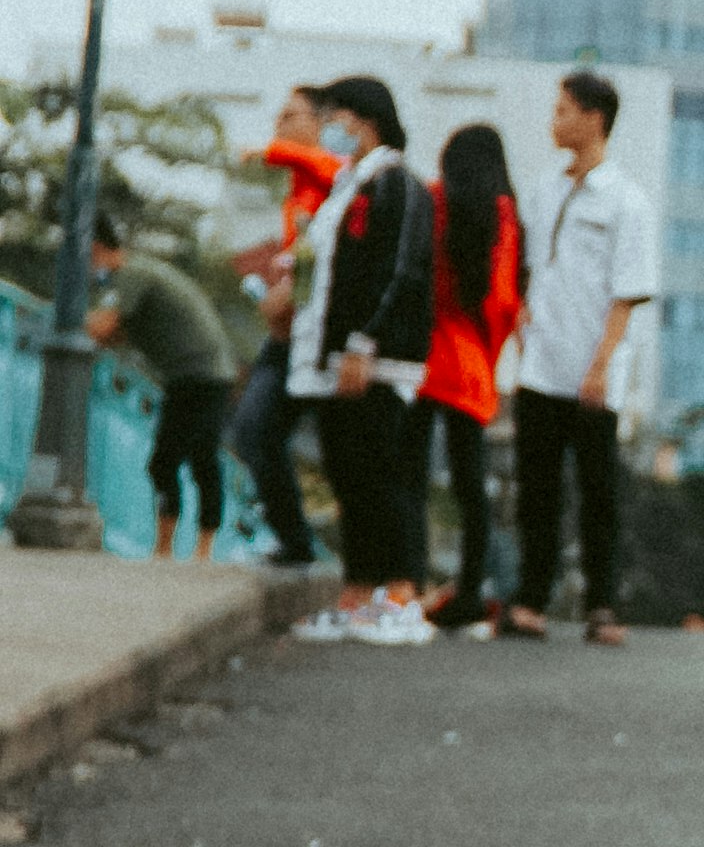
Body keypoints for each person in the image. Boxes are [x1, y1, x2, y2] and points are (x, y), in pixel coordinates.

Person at [503, 69, 655, 644]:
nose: (555, 120)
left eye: (565, 110)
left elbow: (626, 294)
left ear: (594, 119)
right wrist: (519, 317)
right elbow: (528, 264)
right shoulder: (547, 188)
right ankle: (530, 601)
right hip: (541, 364)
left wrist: (601, 365)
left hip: (594, 371)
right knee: (536, 490)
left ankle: (602, 604)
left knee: (597, 495)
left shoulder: (625, 201)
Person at [288, 78, 439, 644]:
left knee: (381, 474)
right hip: (338, 357)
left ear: (363, 121)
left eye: (336, 117)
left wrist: (362, 341)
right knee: (350, 475)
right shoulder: (352, 186)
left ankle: (399, 593)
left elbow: (397, 270)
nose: (330, 128)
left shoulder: (395, 185)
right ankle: (358, 592)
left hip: (375, 358)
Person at [419, 120, 527, 632]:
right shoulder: (505, 215)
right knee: (470, 485)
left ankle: (408, 583)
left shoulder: (432, 199)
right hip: (472, 365)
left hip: (422, 355)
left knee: (409, 476)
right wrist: (488, 351)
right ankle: (468, 590)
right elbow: (503, 299)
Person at [226, 85, 338, 571]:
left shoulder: (333, 175)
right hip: (290, 333)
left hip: (325, 337)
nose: (279, 126)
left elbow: (330, 166)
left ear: (318, 125)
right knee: (253, 430)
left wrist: (265, 150)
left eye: (290, 117)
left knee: (342, 454)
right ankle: (294, 540)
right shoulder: (296, 190)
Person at [86, 205, 237, 556]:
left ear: (94, 248)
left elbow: (103, 328)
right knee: (199, 458)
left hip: (199, 374)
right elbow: (116, 334)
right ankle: (193, 549)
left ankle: (177, 549)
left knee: (172, 461)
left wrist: (68, 323)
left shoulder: (130, 274)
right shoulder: (136, 274)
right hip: (201, 374)